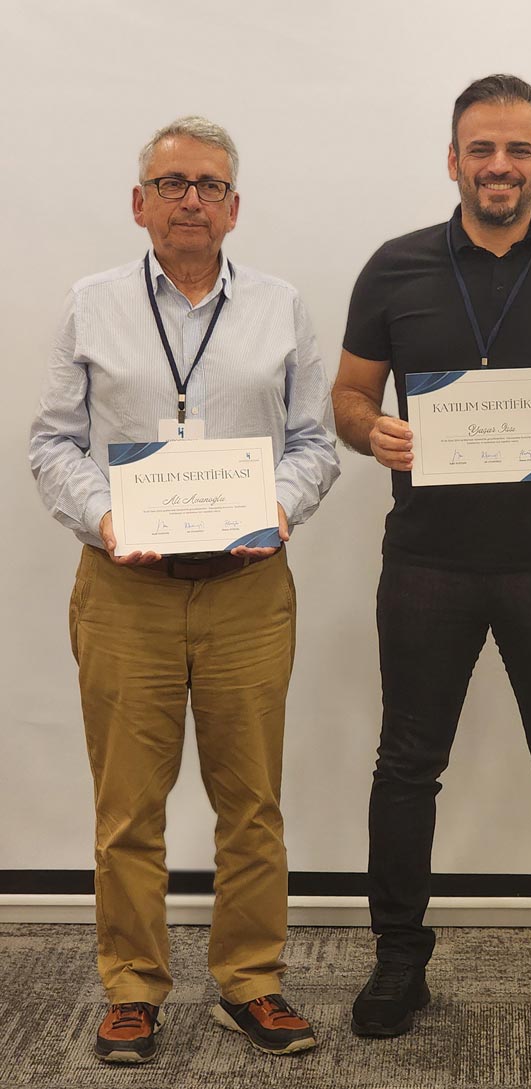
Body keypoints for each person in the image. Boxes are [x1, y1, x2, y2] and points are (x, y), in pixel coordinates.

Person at [332, 74, 531, 1040]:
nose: (499, 166)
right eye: (482, 149)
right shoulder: (393, 267)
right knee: (406, 764)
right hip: (427, 561)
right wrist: (373, 431)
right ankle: (398, 960)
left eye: (518, 150)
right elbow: (349, 397)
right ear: (453, 160)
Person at [28, 116, 339, 1064]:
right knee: (129, 807)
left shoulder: (281, 306)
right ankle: (132, 988)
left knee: (253, 802)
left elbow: (314, 442)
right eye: (172, 184)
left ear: (235, 207)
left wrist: (279, 507)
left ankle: (251, 981)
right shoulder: (91, 305)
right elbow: (52, 444)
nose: (191, 200)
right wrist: (105, 517)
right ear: (140, 203)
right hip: (126, 589)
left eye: (209, 185)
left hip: (248, 587)